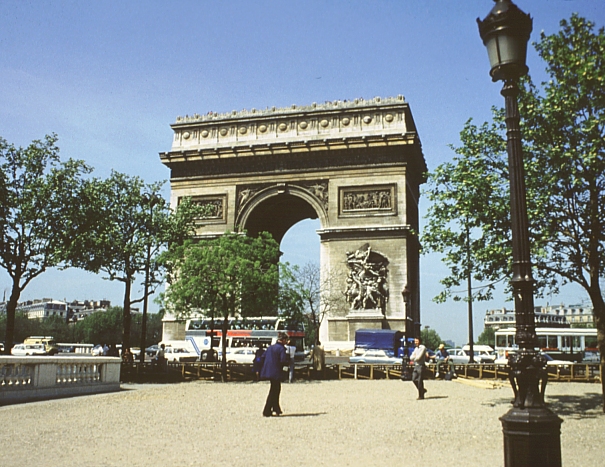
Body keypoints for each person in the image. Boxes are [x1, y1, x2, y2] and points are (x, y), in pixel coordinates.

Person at [260, 332, 290, 417]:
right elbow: (283, 360)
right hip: (276, 371)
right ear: (283, 340)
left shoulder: (270, 347)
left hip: (268, 370)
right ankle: (267, 410)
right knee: (275, 391)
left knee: (274, 389)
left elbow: (263, 356)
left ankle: (276, 408)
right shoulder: (281, 349)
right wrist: (288, 363)